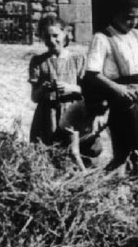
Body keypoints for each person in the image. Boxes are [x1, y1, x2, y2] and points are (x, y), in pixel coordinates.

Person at [84, 0, 138, 194]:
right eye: (128, 17)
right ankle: (99, 190)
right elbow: (93, 73)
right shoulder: (102, 38)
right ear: (115, 13)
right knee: (123, 154)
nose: (132, 22)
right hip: (122, 99)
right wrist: (117, 88)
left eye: (136, 17)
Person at [29, 14, 100, 169]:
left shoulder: (78, 59)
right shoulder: (38, 62)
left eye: (56, 35)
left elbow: (90, 91)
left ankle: (81, 179)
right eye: (46, 37)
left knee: (79, 151)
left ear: (65, 34)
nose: (52, 40)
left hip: (73, 112)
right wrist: (42, 89)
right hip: (48, 114)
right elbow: (34, 97)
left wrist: (72, 88)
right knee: (50, 152)